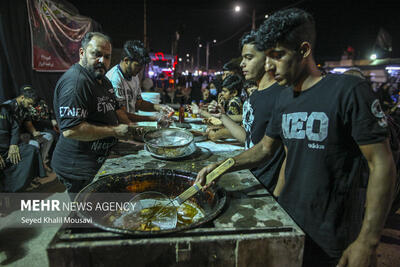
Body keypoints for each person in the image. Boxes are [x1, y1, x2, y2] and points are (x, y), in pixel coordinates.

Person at [196, 8, 396, 267]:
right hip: (288, 221)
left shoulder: (348, 91)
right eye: (266, 57)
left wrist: (368, 241)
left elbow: (381, 164)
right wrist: (222, 167)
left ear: (303, 50)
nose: (269, 66)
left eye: (277, 56)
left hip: (332, 233)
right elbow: (265, 149)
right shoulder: (284, 97)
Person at [52, 32, 140, 194]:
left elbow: (115, 109)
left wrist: (130, 126)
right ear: (82, 52)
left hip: (100, 158)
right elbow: (72, 130)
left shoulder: (102, 79)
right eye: (96, 54)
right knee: (88, 213)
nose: (102, 61)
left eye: (107, 57)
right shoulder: (76, 83)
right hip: (78, 167)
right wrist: (115, 131)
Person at [106, 40, 173, 122]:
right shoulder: (114, 79)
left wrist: (159, 107)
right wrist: (153, 119)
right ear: (126, 61)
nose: (140, 69)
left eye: (142, 66)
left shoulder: (134, 75)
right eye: (137, 65)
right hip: (117, 129)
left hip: (129, 126)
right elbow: (122, 115)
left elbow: (138, 103)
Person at [0, 88, 46, 192]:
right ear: (22, 97)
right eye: (29, 103)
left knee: (32, 150)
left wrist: (13, 145)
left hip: (9, 144)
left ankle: (27, 181)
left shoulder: (13, 110)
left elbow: (15, 128)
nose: (30, 106)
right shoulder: (6, 107)